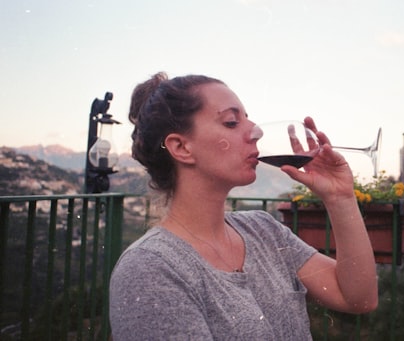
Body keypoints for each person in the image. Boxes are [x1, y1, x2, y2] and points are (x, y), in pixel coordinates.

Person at [109, 72, 378, 340]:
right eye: (231, 122)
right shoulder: (151, 268)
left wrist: (340, 199)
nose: (256, 131)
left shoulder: (264, 230)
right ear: (181, 147)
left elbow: (356, 297)